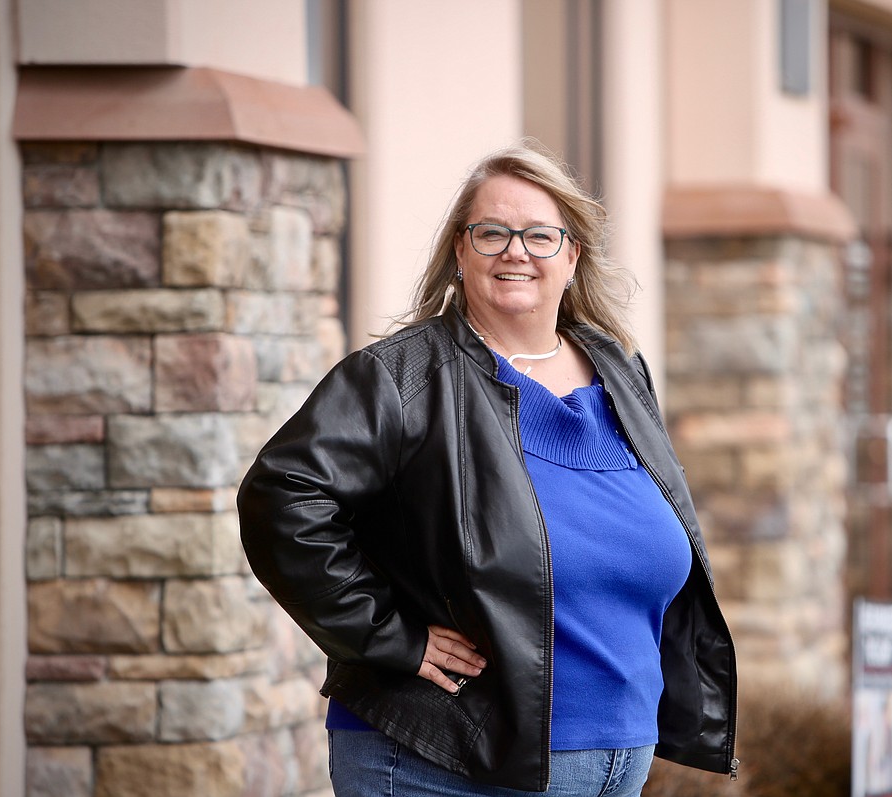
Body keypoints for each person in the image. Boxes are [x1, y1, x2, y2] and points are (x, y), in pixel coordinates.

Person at [237, 142, 738, 797]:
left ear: (572, 254)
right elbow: (282, 498)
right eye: (492, 232)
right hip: (443, 762)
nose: (515, 250)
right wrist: (390, 635)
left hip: (615, 761)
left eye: (539, 234)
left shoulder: (620, 373)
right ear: (460, 251)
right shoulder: (403, 379)